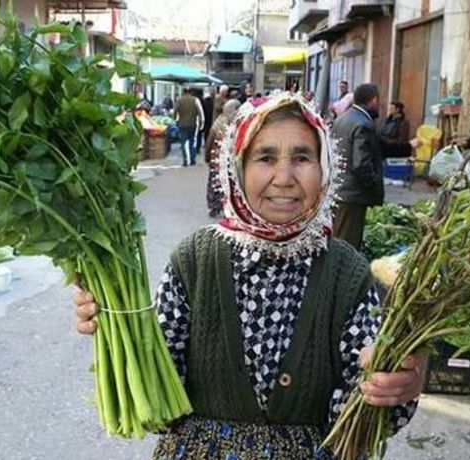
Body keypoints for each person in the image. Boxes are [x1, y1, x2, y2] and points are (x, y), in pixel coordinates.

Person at [73, 93, 424, 459]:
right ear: (237, 167)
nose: (284, 178)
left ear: (325, 168)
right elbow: (159, 396)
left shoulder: (346, 273)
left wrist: (392, 385)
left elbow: (360, 418)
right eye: (265, 157)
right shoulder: (195, 260)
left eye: (302, 157)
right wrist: (112, 325)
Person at [331, 83, 386, 250]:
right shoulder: (363, 124)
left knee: (337, 241)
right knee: (347, 247)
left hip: (339, 191)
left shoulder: (342, 119)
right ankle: (339, 276)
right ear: (374, 100)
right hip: (352, 195)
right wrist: (373, 189)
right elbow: (361, 164)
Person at [204, 99, 241, 217]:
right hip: (222, 159)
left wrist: (207, 157)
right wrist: (207, 157)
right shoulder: (239, 123)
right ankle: (224, 206)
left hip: (224, 159)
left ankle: (218, 205)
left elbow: (210, 140)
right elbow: (210, 140)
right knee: (227, 182)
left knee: (217, 181)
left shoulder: (220, 121)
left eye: (228, 110)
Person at [174, 87, 204, 166]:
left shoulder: (179, 100)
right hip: (192, 124)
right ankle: (192, 160)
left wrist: (175, 120)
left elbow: (175, 111)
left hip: (182, 124)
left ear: (183, 92)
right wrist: (201, 122)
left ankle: (185, 160)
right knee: (192, 142)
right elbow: (200, 112)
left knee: (183, 143)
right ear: (191, 92)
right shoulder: (195, 100)